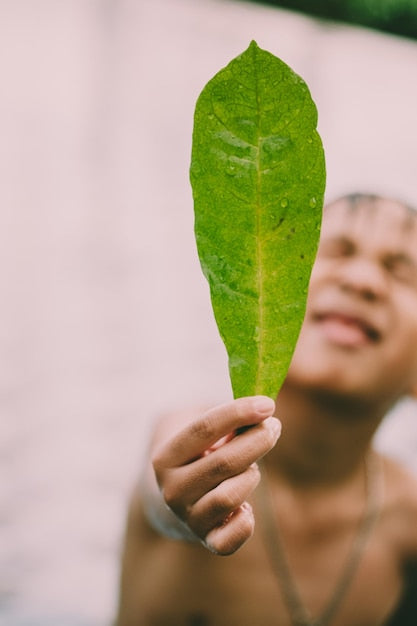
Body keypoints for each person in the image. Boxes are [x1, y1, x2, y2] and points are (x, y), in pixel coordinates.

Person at [115, 193, 417, 626]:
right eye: (332, 252)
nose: (362, 280)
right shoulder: (197, 441)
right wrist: (184, 504)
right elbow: (163, 485)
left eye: (402, 272)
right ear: (258, 293)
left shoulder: (408, 526)